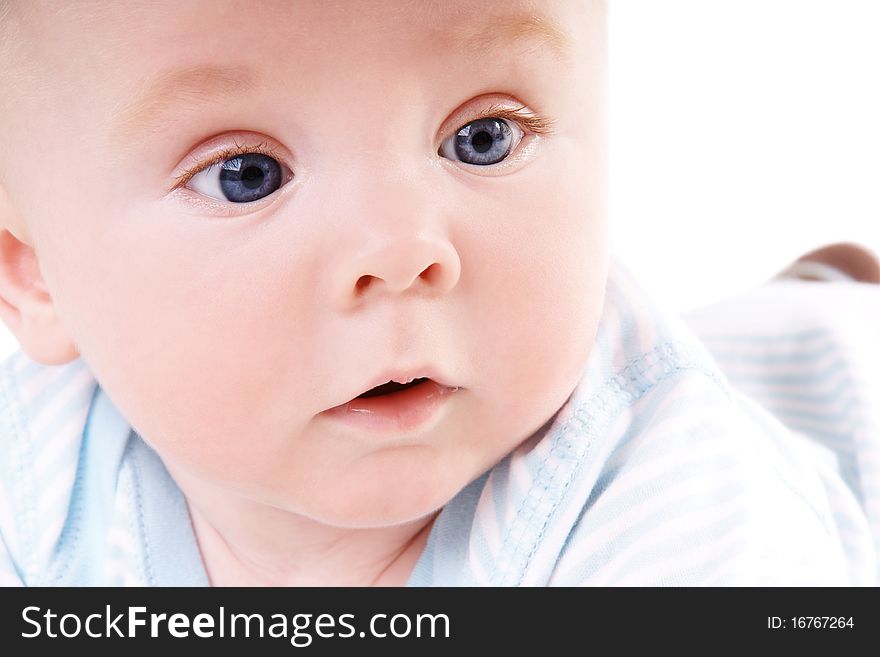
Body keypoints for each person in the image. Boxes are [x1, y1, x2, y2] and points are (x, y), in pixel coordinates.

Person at [0, 0, 876, 586]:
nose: (403, 249)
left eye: (483, 137)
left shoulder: (676, 516)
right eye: (246, 175)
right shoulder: (41, 472)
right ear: (37, 276)